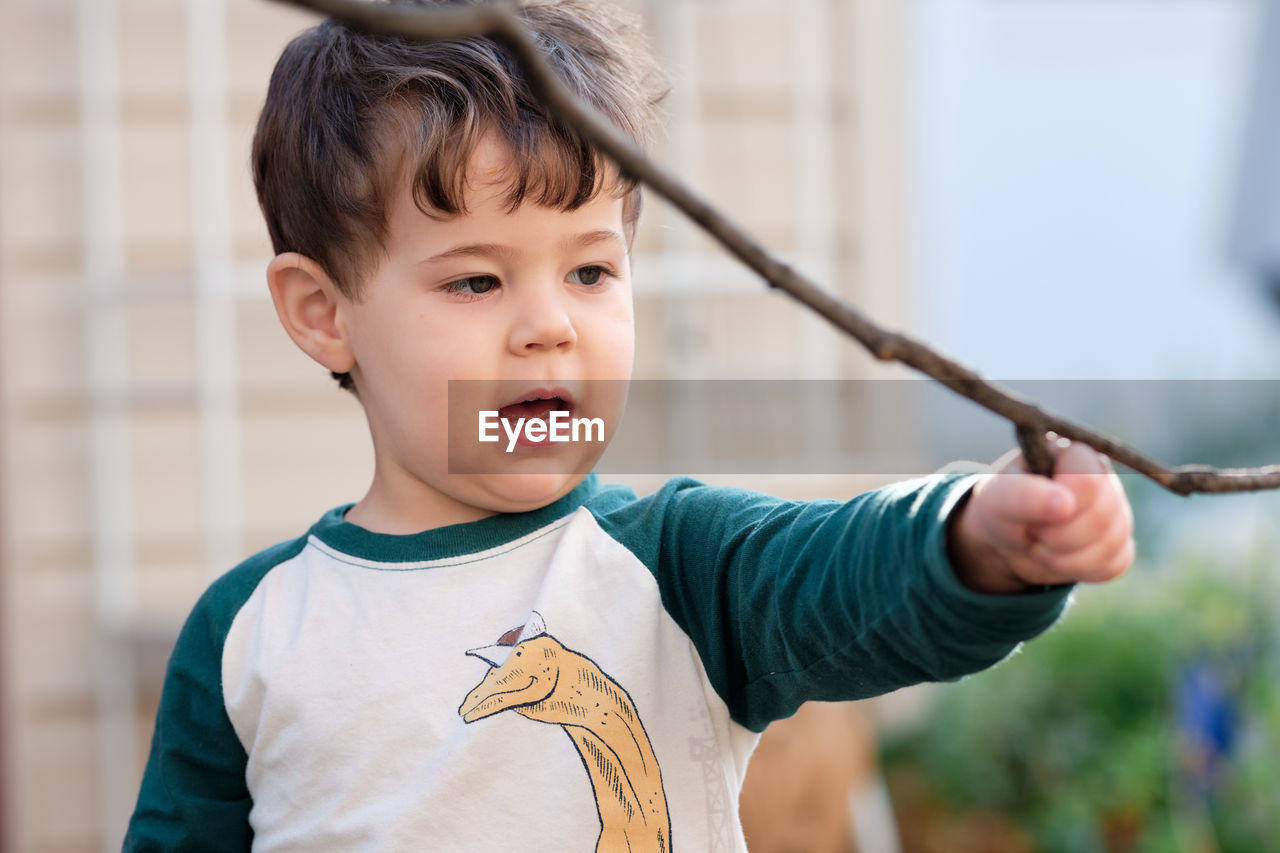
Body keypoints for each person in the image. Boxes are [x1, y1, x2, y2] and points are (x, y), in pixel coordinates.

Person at [124, 1, 1135, 850]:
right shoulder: (250, 633)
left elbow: (847, 569)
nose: (549, 326)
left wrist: (979, 536)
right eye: (475, 278)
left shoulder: (677, 567)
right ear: (322, 311)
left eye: (590, 270)